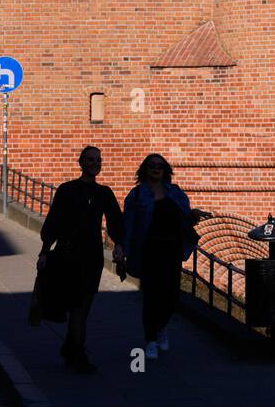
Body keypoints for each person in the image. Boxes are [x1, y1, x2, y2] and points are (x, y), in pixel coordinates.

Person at [37, 146, 124, 373]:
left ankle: (70, 347)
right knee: (77, 305)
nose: (95, 163)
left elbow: (115, 221)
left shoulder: (104, 193)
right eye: (90, 160)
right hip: (69, 255)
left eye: (98, 160)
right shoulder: (66, 190)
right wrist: (44, 251)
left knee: (83, 307)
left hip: (92, 256)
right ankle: (79, 354)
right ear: (81, 162)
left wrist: (119, 246)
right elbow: (54, 221)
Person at [121, 153, 210, 360]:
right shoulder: (136, 195)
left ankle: (161, 327)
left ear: (165, 170)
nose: (156, 168)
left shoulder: (175, 193)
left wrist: (193, 215)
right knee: (151, 296)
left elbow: (184, 217)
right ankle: (151, 339)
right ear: (145, 169)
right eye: (152, 165)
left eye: (160, 166)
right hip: (150, 251)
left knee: (171, 295)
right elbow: (129, 225)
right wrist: (123, 249)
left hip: (171, 250)